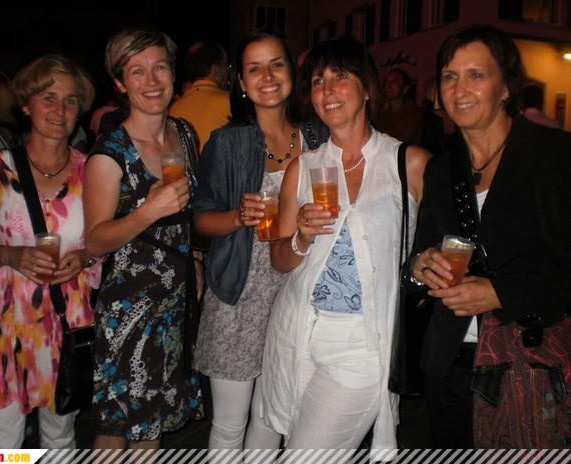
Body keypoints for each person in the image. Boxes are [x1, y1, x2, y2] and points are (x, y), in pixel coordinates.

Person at [259, 37, 429, 451]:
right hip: (299, 331)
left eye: (340, 76)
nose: (328, 90)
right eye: (318, 81)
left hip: (362, 344)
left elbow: (440, 246)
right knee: (294, 442)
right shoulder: (303, 168)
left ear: (367, 88)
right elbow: (279, 260)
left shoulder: (410, 163)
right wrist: (300, 237)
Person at [409, 25, 571, 448]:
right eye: (449, 76)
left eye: (476, 75)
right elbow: (421, 251)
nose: (459, 88)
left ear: (506, 87)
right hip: (450, 365)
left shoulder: (556, 156)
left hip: (530, 365)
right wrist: (420, 264)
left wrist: (501, 293)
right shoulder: (441, 170)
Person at [193, 29, 327, 453]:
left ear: (292, 73)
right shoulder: (228, 142)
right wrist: (237, 216)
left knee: (273, 418)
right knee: (230, 425)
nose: (267, 77)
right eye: (254, 69)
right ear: (241, 82)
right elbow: (200, 219)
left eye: (276, 65)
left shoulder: (318, 138)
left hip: (297, 294)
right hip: (239, 295)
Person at [0, 54, 99, 448]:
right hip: (7, 323)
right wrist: (12, 256)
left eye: (70, 100)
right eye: (48, 97)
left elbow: (103, 244)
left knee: (61, 438)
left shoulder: (92, 172)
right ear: (26, 105)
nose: (60, 109)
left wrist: (84, 258)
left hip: (67, 322)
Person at [85, 26, 204, 450]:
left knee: (150, 427)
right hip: (129, 309)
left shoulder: (185, 134)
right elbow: (94, 241)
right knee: (117, 428)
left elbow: (188, 217)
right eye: (137, 71)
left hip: (174, 305)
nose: (152, 81)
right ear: (120, 83)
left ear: (173, 73)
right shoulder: (110, 153)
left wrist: (195, 261)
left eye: (160, 67)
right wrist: (148, 211)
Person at [169, 41, 231, 151]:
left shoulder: (174, 109)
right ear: (215, 70)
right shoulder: (230, 102)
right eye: (225, 65)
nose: (227, 72)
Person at [376, 68, 424, 145]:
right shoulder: (379, 112)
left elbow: (400, 142)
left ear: (405, 88)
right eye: (387, 81)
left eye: (394, 81)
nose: (388, 85)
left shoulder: (413, 113)